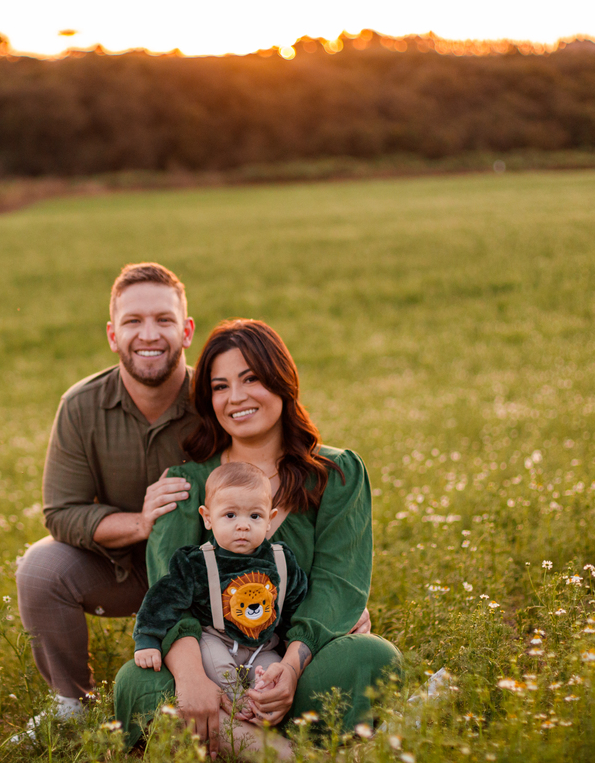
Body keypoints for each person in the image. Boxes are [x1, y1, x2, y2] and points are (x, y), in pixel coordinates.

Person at [114, 319, 402, 752]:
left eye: (251, 378)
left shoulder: (337, 473)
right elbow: (167, 592)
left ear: (282, 381)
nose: (236, 397)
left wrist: (289, 669)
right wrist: (193, 683)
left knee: (373, 657)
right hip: (208, 666)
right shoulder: (187, 483)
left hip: (292, 667)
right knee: (135, 684)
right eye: (219, 386)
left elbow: (340, 584)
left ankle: (230, 742)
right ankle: (286, 753)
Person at [14, 262, 199, 735]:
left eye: (163, 319)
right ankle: (70, 703)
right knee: (40, 567)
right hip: (124, 569)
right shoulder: (80, 406)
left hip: (208, 573)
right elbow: (61, 512)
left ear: (187, 330)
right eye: (133, 322)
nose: (149, 334)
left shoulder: (216, 397)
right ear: (114, 335)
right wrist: (140, 522)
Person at [132, 462, 308, 759]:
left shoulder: (280, 560)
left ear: (270, 520)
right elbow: (162, 600)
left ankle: (261, 710)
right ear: (208, 518)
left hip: (263, 645)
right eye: (230, 515)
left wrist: (294, 643)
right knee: (219, 669)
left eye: (255, 516)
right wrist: (147, 638)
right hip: (216, 638)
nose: (243, 525)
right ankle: (238, 718)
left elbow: (297, 604)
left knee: (268, 676)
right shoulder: (197, 562)